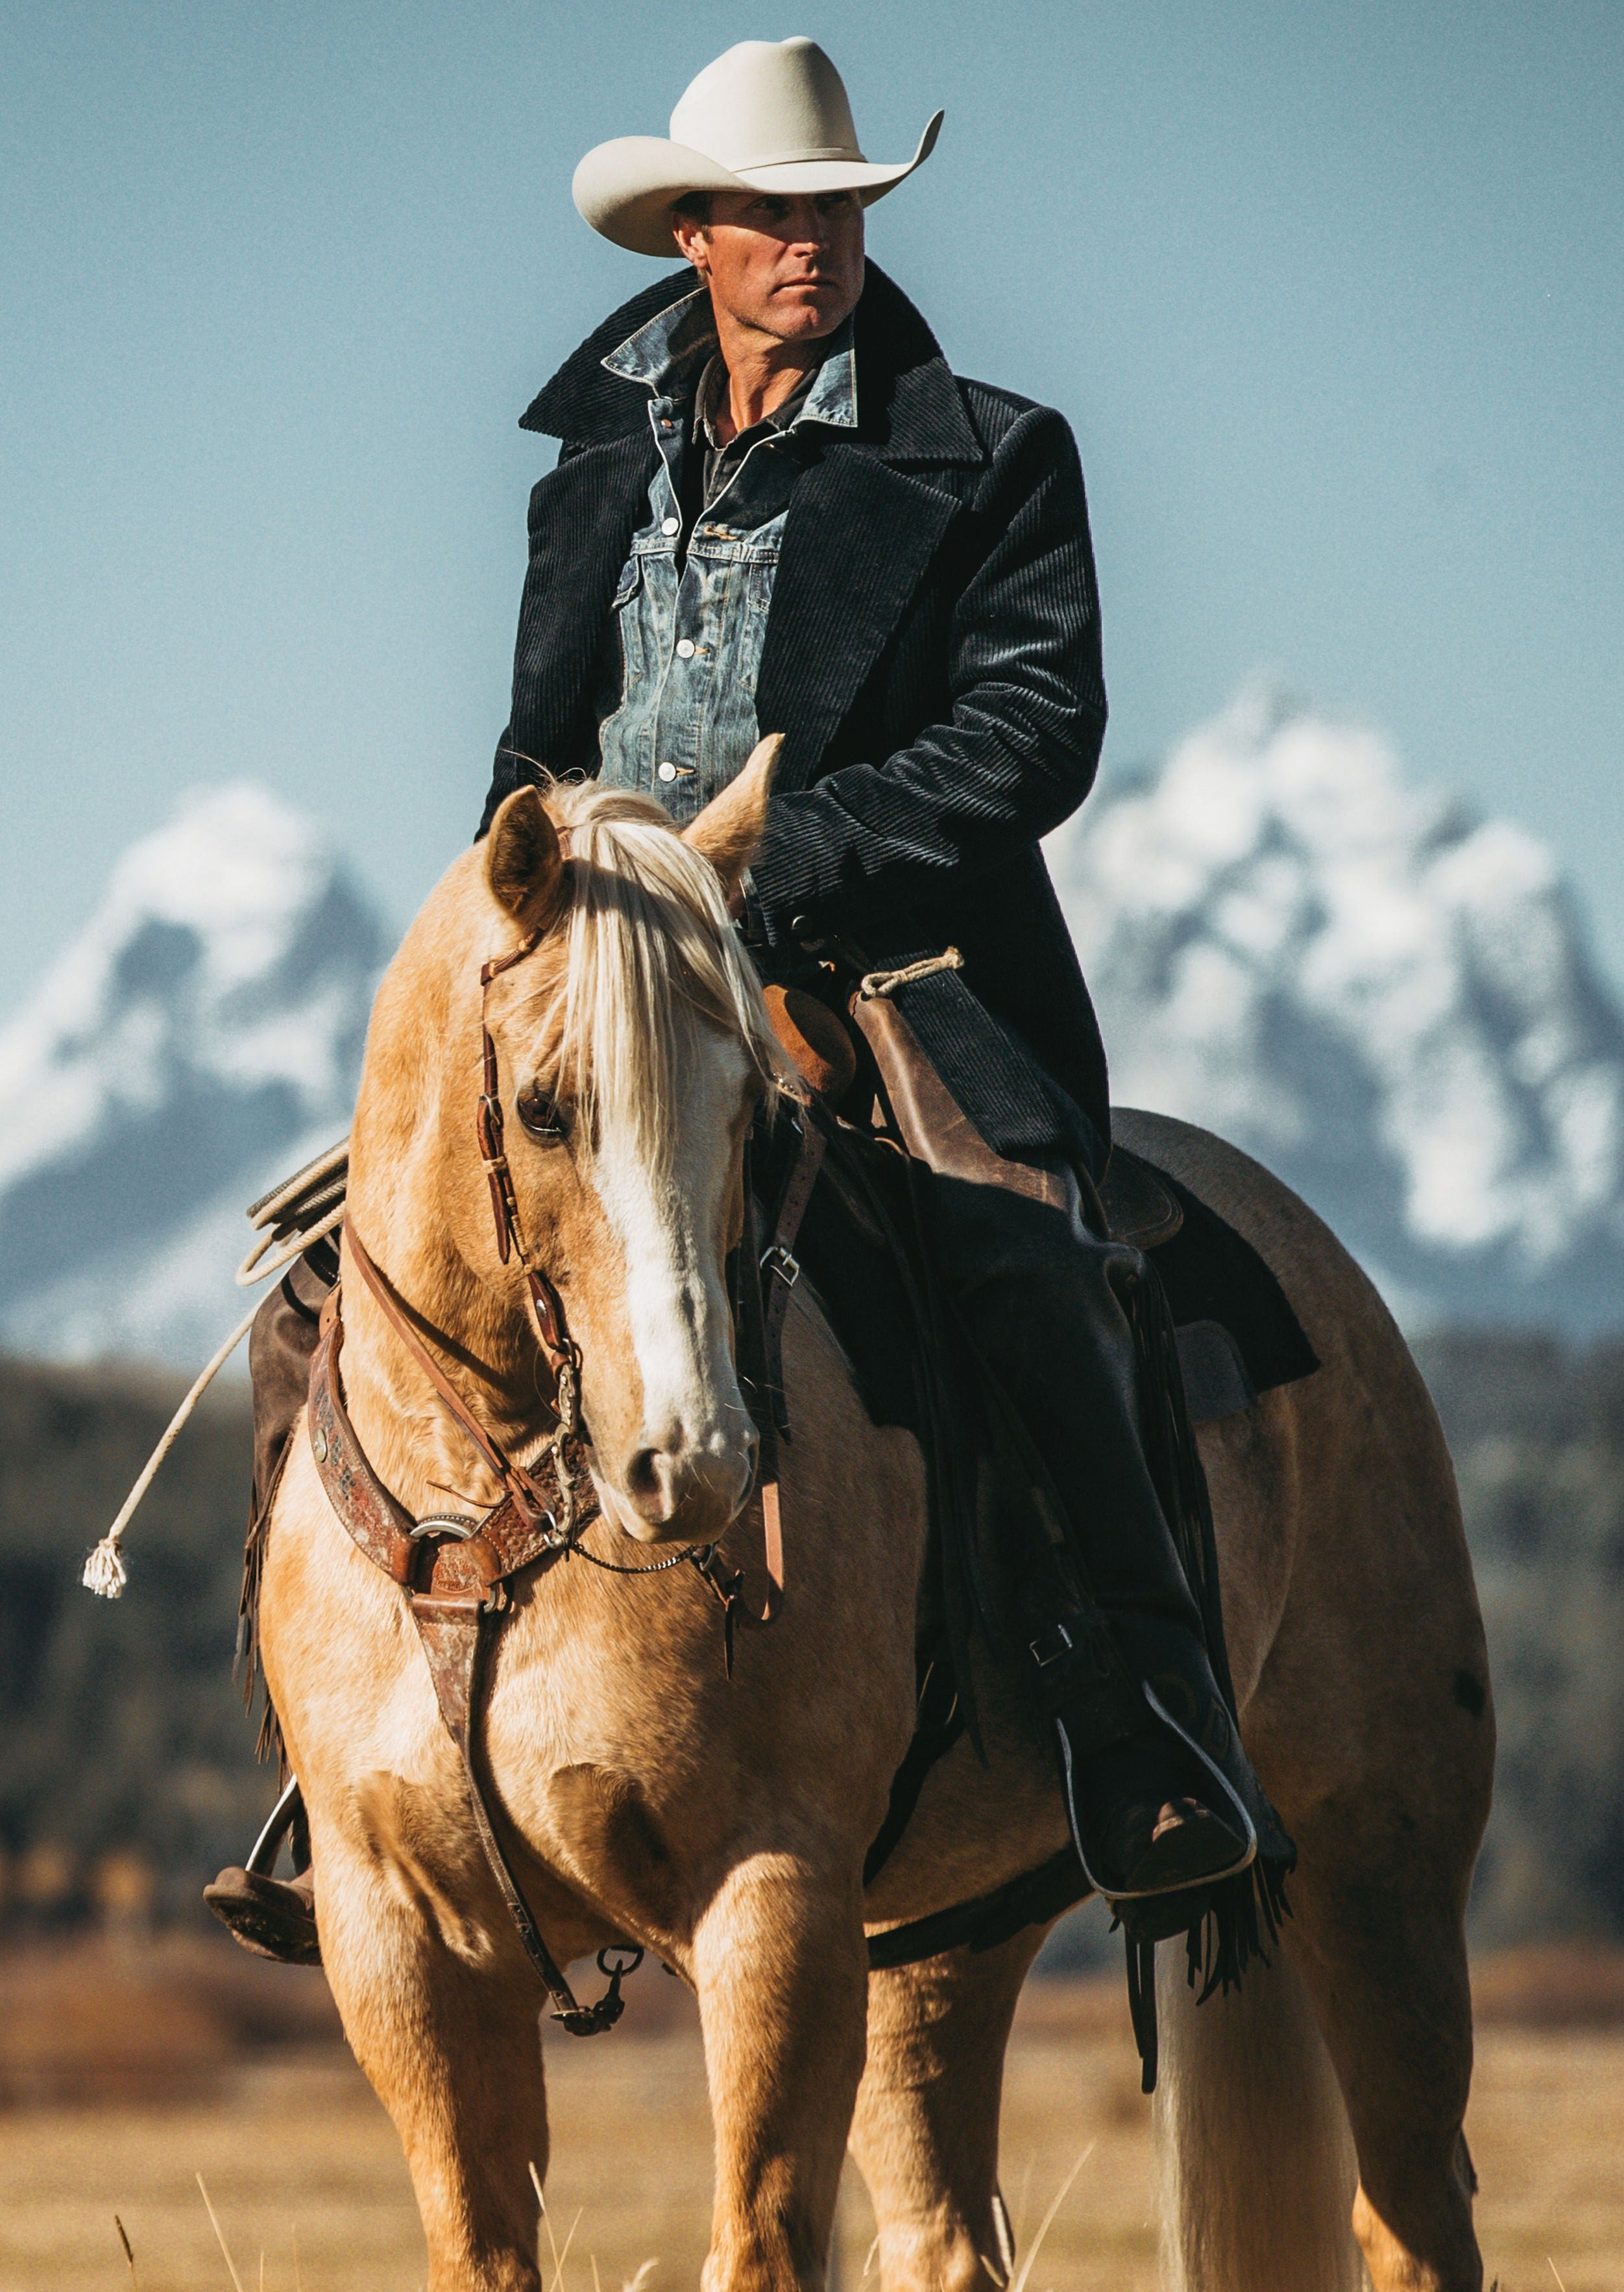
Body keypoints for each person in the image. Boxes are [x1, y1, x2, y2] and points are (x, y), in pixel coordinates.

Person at [208, 36, 1288, 1968]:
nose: (818, 245)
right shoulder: (596, 453)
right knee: (328, 1276)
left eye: (844, 212)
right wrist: (537, 913)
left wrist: (773, 864)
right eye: (780, 215)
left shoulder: (991, 451)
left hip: (880, 967)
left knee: (1031, 1260)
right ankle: (322, 1763)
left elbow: (1034, 736)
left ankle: (1150, 1727)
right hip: (610, 970)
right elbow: (537, 743)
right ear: (693, 231)